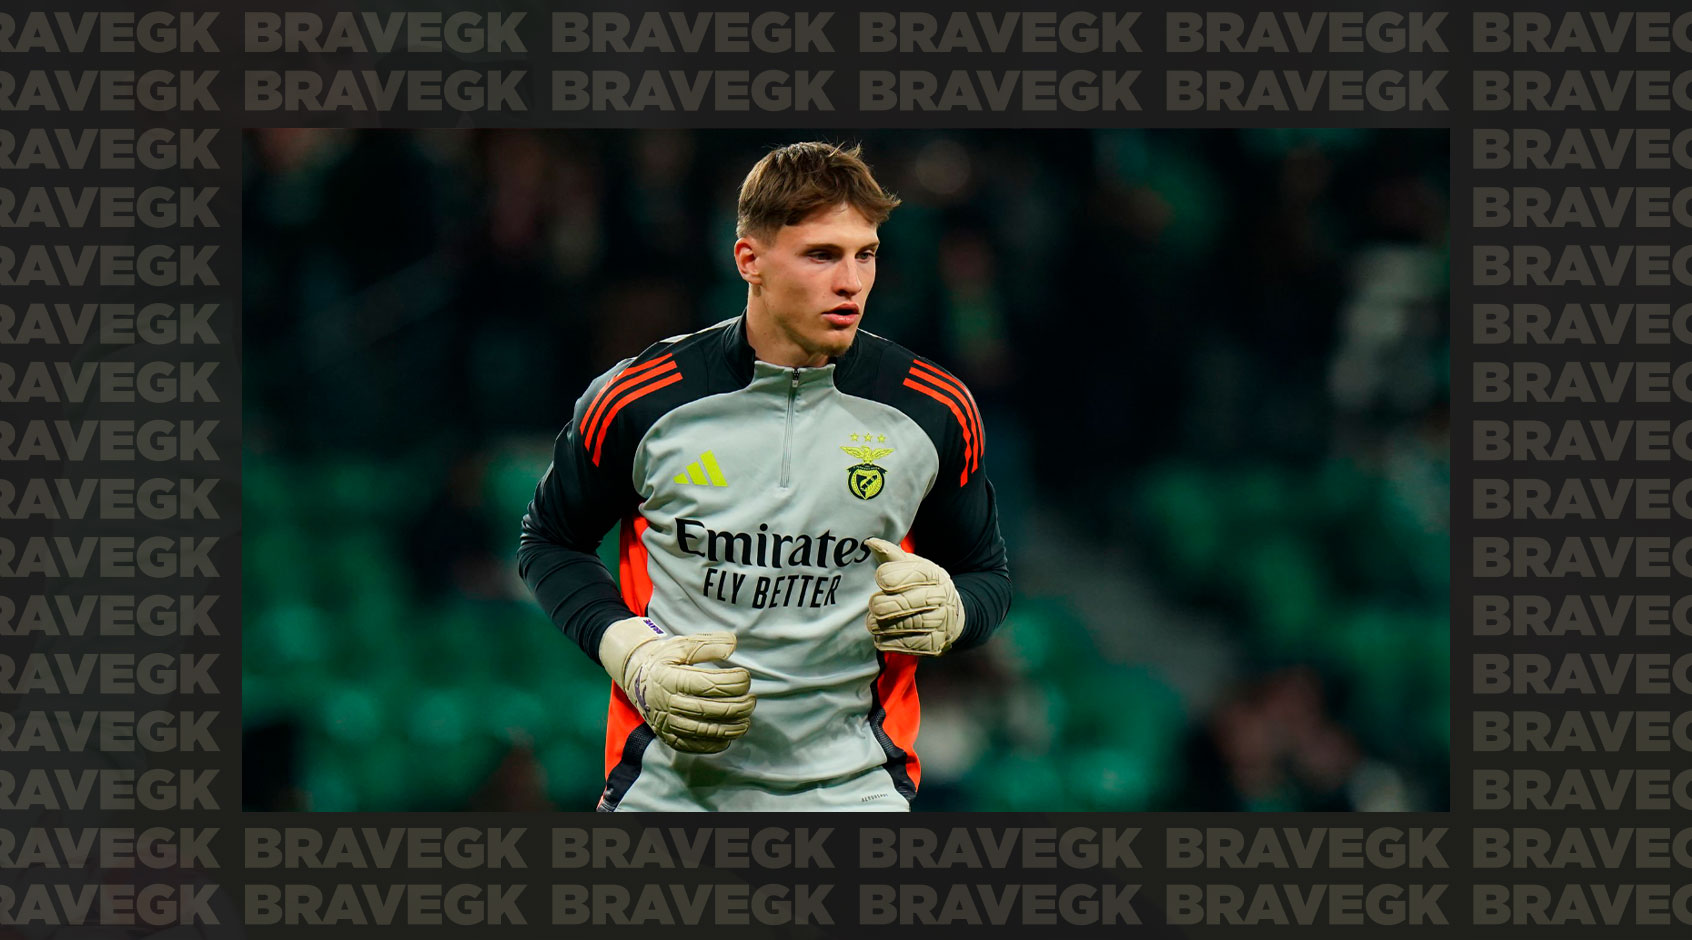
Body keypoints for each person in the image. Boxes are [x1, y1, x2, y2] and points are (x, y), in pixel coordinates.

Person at [518, 141, 1012, 811]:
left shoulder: (933, 409)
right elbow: (549, 542)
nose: (850, 282)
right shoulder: (640, 398)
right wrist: (627, 650)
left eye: (863, 253)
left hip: (856, 799)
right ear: (749, 259)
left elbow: (986, 575)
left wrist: (955, 612)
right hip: (666, 798)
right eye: (821, 255)